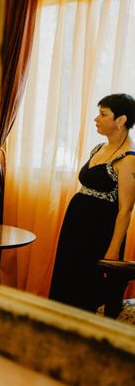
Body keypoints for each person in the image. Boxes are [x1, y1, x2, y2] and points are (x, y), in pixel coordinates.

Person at [50, 93, 135, 313]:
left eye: (103, 114)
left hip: (99, 230)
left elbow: (126, 208)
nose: (96, 119)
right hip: (77, 223)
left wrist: (113, 250)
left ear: (121, 120)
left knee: (86, 285)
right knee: (67, 276)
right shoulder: (99, 148)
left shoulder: (129, 158)